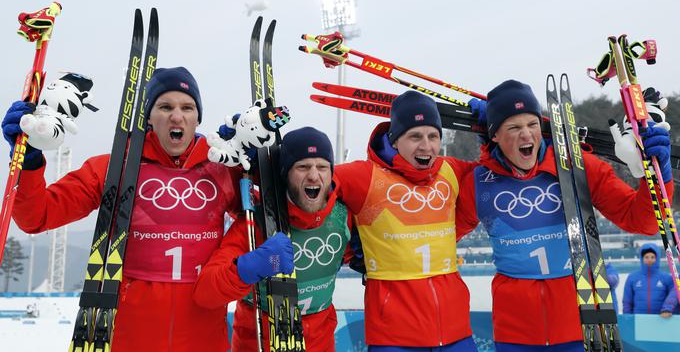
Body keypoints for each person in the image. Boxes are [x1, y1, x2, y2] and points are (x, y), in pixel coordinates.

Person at [3, 67, 243, 351]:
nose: (177, 116)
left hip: (204, 334)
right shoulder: (116, 166)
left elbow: (262, 218)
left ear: (197, 118)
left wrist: (253, 159)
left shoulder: (223, 170)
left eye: (187, 107)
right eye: (165, 106)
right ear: (149, 119)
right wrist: (29, 161)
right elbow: (37, 216)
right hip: (129, 334)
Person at [457, 80, 674, 351]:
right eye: (513, 127)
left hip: (580, 326)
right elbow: (441, 233)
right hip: (514, 333)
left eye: (532, 125)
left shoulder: (578, 167)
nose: (526, 135)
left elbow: (641, 221)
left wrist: (658, 173)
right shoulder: (479, 182)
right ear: (495, 135)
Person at [334, 90, 479, 351]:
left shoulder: (451, 170)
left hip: (456, 331)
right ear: (395, 140)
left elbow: (501, 173)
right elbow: (313, 182)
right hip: (394, 336)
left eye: (433, 136)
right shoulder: (366, 176)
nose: (426, 146)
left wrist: (492, 131)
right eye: (415, 136)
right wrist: (348, 248)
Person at [194, 127, 352, 351]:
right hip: (258, 343)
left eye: (322, 167)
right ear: (286, 174)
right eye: (303, 167)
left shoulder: (343, 216)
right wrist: (248, 268)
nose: (314, 175)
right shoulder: (257, 223)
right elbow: (206, 293)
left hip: (320, 343)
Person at [623, 243, 677, 317]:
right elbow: (627, 301)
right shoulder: (633, 277)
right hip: (638, 320)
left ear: (657, 258)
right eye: (646, 257)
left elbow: (673, 297)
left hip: (660, 319)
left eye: (652, 257)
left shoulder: (666, 277)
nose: (649, 259)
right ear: (642, 258)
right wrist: (627, 317)